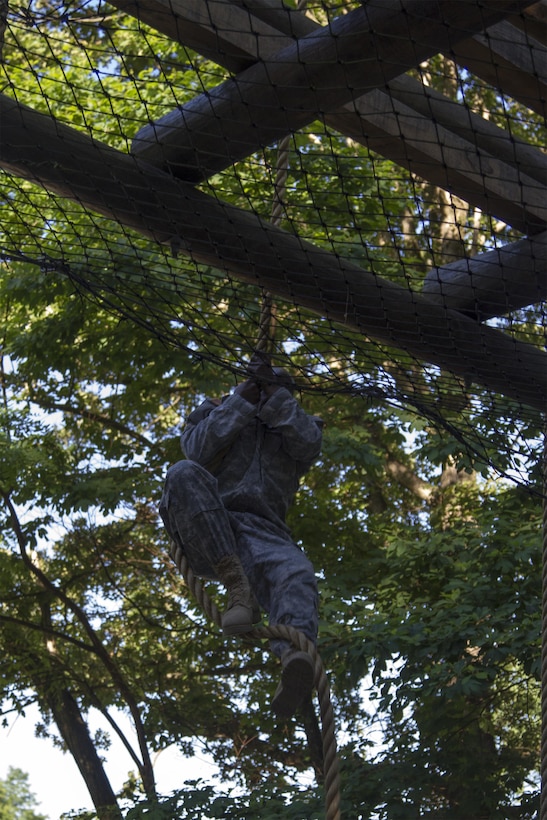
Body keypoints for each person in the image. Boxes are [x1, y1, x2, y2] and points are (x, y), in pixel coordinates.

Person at [159, 352, 323, 718]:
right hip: (210, 523)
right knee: (182, 472)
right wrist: (241, 403)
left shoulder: (298, 425)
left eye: (274, 388)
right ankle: (237, 587)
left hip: (265, 535)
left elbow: (308, 443)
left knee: (297, 574)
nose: (266, 394)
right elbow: (195, 449)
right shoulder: (219, 410)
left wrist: (273, 395)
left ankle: (295, 661)